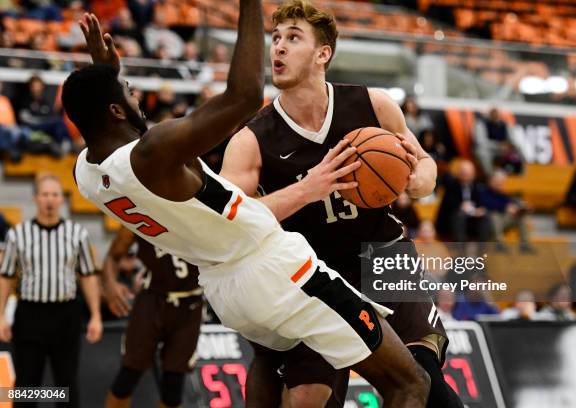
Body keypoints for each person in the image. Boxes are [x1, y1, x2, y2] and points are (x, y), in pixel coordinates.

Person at [64, 8, 430, 408]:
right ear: (115, 112)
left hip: (224, 290)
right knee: (410, 383)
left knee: (273, 377)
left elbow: (134, 144)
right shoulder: (156, 153)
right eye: (129, 93)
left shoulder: (87, 172)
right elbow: (244, 96)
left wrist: (107, 78)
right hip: (275, 267)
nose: (137, 96)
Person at [219, 1, 459, 407]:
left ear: (323, 53)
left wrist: (421, 178)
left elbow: (423, 161)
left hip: (382, 256)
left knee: (424, 383)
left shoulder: (373, 105)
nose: (278, 48)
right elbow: (226, 221)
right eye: (275, 38)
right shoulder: (252, 138)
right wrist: (305, 190)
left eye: (293, 38)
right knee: (309, 398)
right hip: (312, 273)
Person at [0, 173, 103, 408]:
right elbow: (5, 277)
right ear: (36, 198)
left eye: (55, 194)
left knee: (65, 384)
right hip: (30, 314)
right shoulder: (18, 235)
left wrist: (95, 315)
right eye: (45, 194)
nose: (50, 199)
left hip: (65, 314)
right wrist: (1, 315)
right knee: (27, 386)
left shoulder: (78, 234)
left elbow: (87, 276)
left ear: (61, 199)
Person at [103, 227, 202, 408]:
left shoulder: (201, 209)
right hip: (151, 299)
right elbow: (113, 255)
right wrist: (110, 284)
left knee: (174, 384)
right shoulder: (140, 209)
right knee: (129, 373)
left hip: (190, 303)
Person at [436, 159, 492, 243]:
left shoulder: (477, 186)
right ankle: (460, 250)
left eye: (469, 174)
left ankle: (482, 248)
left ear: (473, 174)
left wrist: (479, 210)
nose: (466, 177)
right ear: (459, 174)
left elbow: (482, 202)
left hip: (472, 219)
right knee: (460, 216)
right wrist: (460, 206)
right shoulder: (451, 185)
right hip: (452, 219)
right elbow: (449, 204)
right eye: (464, 174)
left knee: (485, 217)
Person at [480, 169, 533, 252]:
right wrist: (505, 207)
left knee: (521, 216)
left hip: (503, 221)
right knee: (494, 215)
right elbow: (487, 204)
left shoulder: (502, 193)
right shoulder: (483, 191)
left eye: (501, 182)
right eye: (498, 181)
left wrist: (521, 206)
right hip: (488, 222)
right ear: (491, 181)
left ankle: (525, 245)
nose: (500, 184)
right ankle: (499, 244)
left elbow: (511, 202)